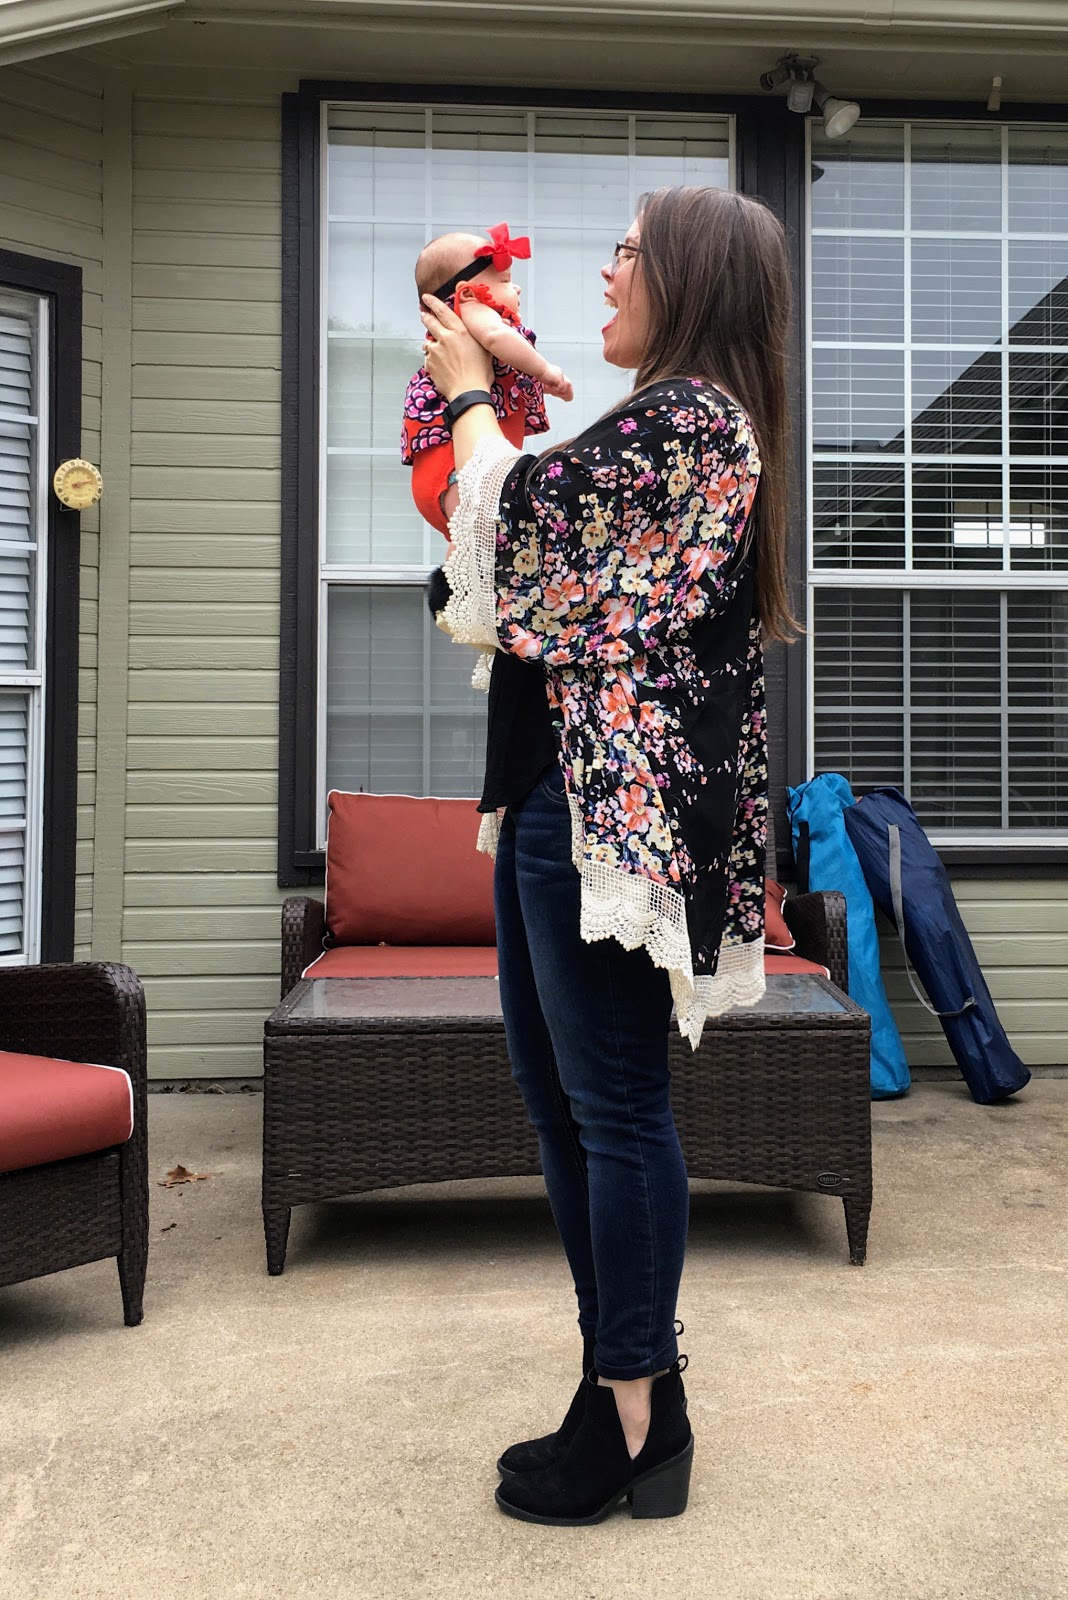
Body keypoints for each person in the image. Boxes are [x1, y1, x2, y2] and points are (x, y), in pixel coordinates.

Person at [420, 185, 799, 1527]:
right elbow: (527, 559)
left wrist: (473, 398)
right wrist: (478, 363)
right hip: (558, 800)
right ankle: (625, 1384)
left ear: (688, 274)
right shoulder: (660, 420)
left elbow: (521, 529)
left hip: (607, 820)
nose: (607, 270)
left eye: (630, 249)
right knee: (566, 1104)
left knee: (616, 1108)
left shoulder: (695, 421)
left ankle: (635, 1404)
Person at [402, 222, 573, 534]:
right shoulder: (474, 310)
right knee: (484, 528)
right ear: (466, 291)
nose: (516, 289)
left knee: (467, 544)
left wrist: (533, 381)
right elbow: (497, 337)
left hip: (441, 474)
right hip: (455, 469)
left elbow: (501, 372)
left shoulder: (464, 331)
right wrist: (546, 370)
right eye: (505, 281)